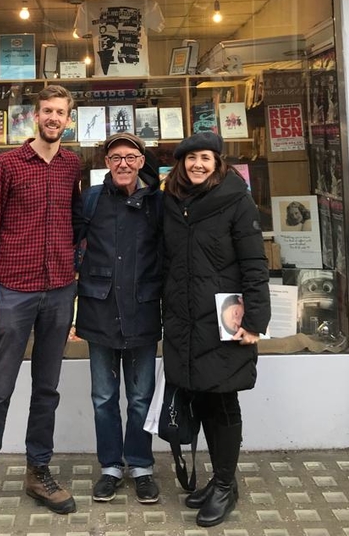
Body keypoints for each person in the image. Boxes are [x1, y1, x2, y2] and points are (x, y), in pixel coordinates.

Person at [0, 85, 81, 535]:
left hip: (60, 291)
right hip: (13, 293)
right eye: (47, 111)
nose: (53, 118)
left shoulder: (72, 165)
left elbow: (75, 223)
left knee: (47, 390)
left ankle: (37, 472)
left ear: (68, 118)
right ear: (34, 116)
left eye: (61, 112)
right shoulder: (6, 164)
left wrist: (75, 278)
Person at [162, 131, 271, 528]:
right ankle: (220, 479)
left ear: (218, 161)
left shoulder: (236, 200)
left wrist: (256, 322)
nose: (198, 165)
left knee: (224, 401)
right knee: (204, 398)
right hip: (185, 318)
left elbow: (255, 264)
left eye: (206, 158)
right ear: (181, 162)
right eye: (191, 158)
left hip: (226, 319)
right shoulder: (172, 202)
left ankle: (225, 483)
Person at [74, 132, 163, 504]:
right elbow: (69, 242)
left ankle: (141, 465)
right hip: (99, 310)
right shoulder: (92, 199)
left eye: (130, 157)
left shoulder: (159, 202)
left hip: (143, 309)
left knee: (141, 397)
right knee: (103, 397)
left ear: (142, 161)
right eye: (115, 157)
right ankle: (110, 466)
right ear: (106, 163)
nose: (123, 164)